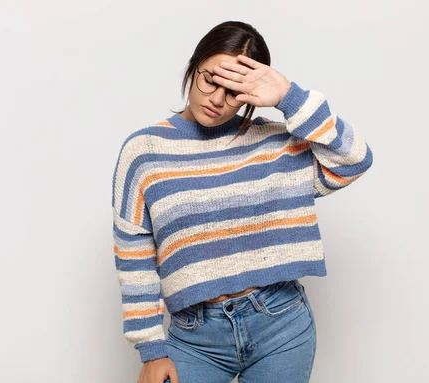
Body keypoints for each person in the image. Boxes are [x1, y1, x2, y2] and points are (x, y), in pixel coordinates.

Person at [111, 21, 373, 383]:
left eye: (235, 91)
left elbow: (355, 159)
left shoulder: (276, 142)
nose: (218, 99)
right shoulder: (144, 152)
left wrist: (288, 97)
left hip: (282, 327)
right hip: (194, 340)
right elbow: (133, 255)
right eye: (211, 81)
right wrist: (151, 349)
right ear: (194, 67)